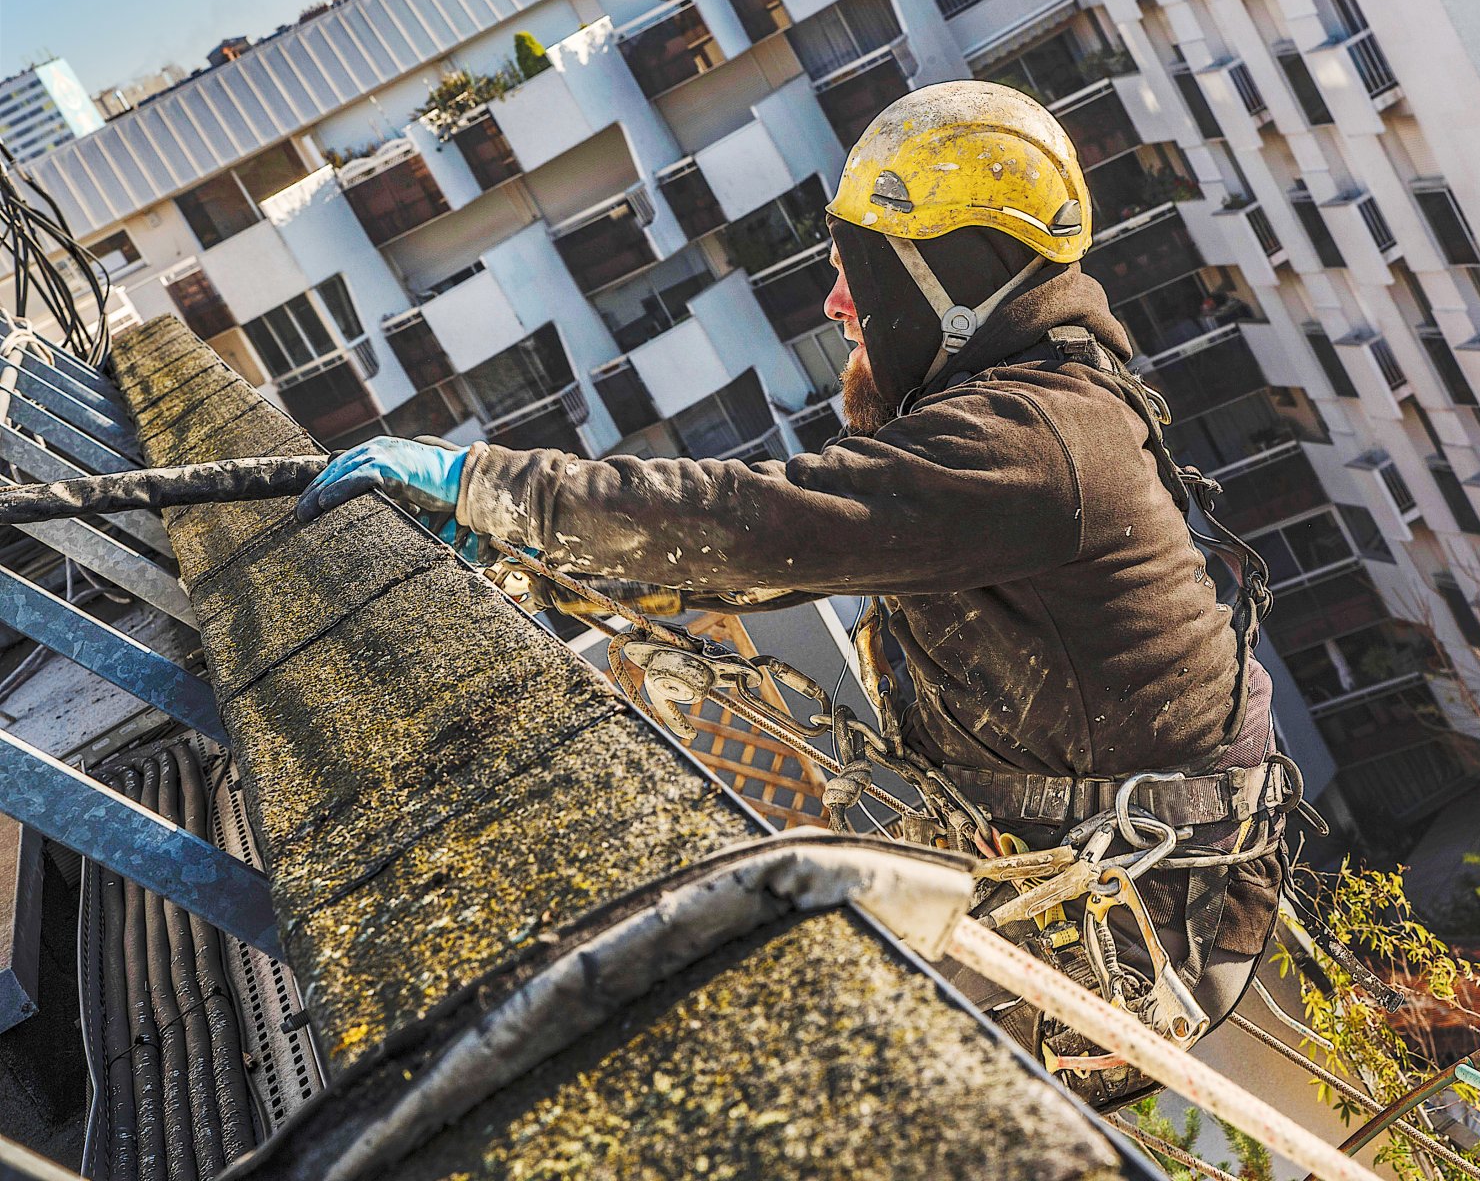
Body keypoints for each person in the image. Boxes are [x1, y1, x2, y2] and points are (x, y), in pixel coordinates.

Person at [298, 81, 1301, 1103]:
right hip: (1091, 858)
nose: (833, 305)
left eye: (857, 275)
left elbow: (759, 526)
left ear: (944, 282)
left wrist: (488, 488)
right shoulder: (1027, 401)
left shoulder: (1033, 443)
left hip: (1146, 922)